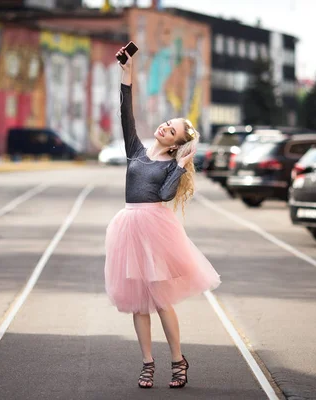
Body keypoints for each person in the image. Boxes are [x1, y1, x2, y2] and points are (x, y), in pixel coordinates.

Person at [104, 48, 221, 389]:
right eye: (167, 124)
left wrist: (181, 165)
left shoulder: (172, 165)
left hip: (154, 231)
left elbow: (168, 194)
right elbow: (126, 114)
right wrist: (127, 74)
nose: (164, 128)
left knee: (160, 300)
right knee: (137, 303)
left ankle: (177, 360)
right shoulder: (135, 152)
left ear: (175, 145)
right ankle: (146, 363)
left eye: (172, 131)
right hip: (128, 228)